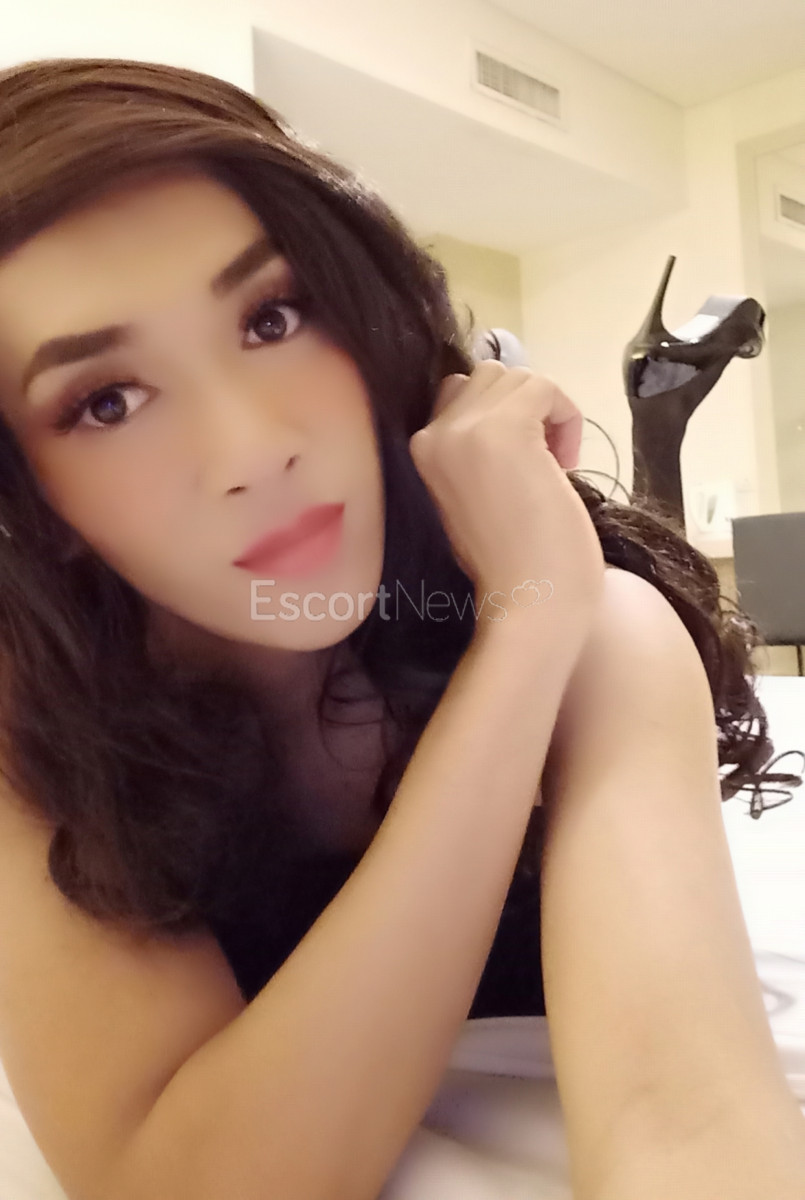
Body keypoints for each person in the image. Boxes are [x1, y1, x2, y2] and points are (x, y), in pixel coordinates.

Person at [0, 55, 801, 1200]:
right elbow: (172, 1183)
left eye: (272, 317)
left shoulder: (598, 631)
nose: (253, 449)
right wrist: (519, 653)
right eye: (106, 402)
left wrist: (535, 622)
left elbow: (684, 1127)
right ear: (29, 497)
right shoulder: (41, 722)